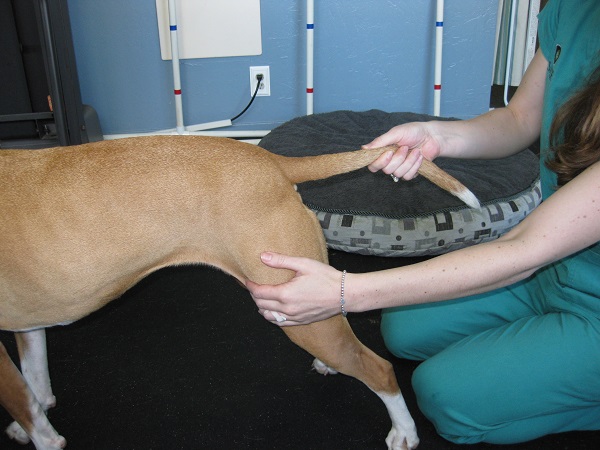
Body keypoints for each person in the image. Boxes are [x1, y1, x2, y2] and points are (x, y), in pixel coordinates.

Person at [246, 0, 600, 445]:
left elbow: (524, 249)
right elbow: (519, 118)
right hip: (556, 267)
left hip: (569, 280)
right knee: (403, 330)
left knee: (445, 399)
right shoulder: (574, 8)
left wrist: (343, 292)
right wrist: (433, 135)